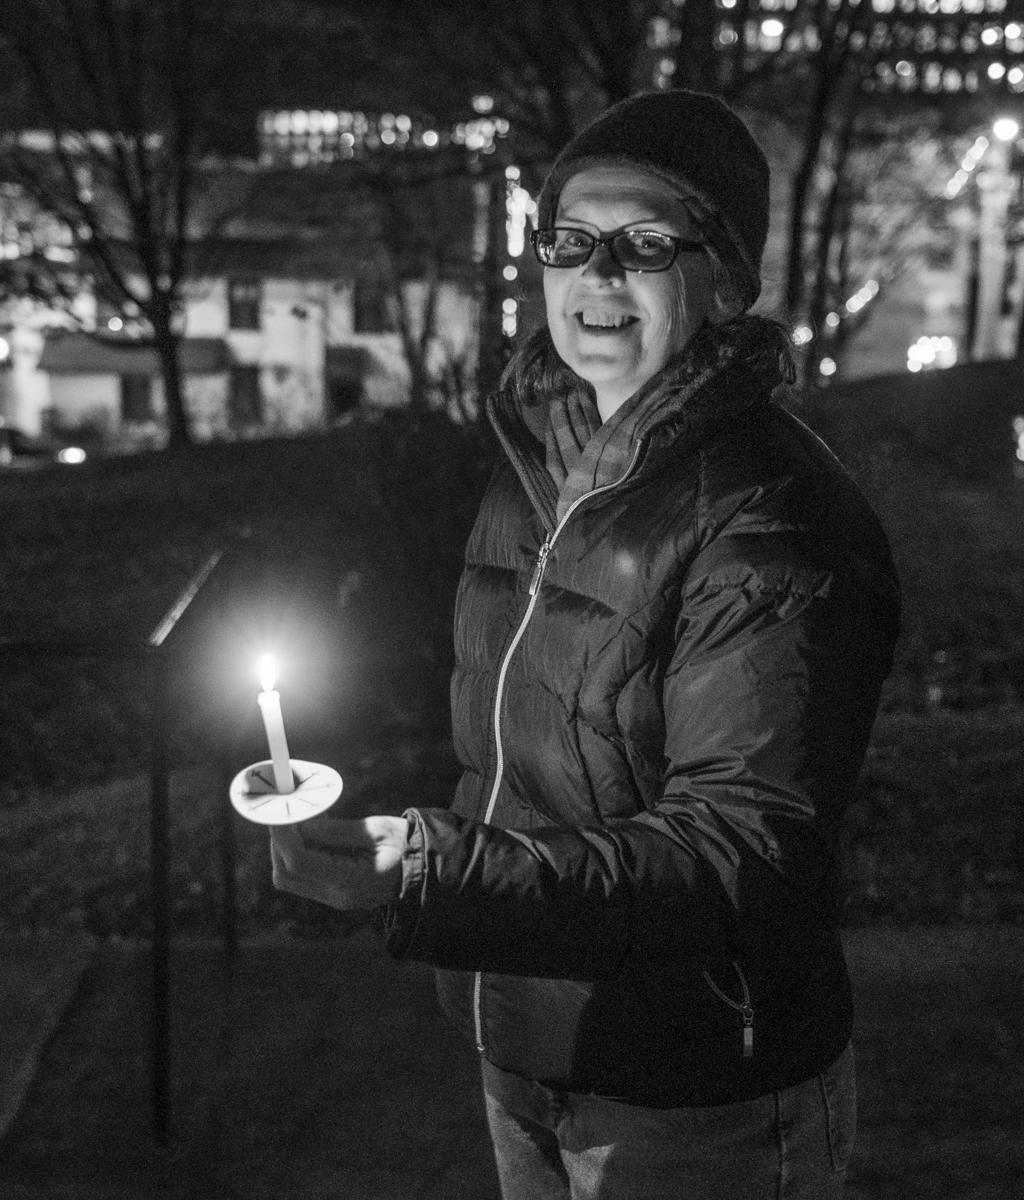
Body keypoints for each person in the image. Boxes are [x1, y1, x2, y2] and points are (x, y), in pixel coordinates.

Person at [270, 89, 901, 1200]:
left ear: (726, 283)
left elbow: (735, 857)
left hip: (691, 1087)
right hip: (523, 1037)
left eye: (647, 243)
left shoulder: (770, 519)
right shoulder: (540, 463)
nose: (597, 275)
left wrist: (432, 873)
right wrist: (402, 857)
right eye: (570, 240)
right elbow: (527, 760)